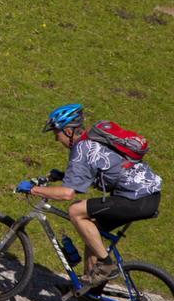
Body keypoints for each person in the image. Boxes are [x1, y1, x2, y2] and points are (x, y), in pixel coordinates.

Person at [19, 103, 162, 287]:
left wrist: (32, 189)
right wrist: (63, 176)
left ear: (69, 131)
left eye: (57, 133)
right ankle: (89, 287)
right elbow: (100, 172)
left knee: (75, 210)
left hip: (136, 198)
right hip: (148, 195)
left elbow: (67, 193)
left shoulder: (81, 149)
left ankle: (106, 264)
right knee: (91, 228)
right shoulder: (92, 141)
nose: (56, 139)